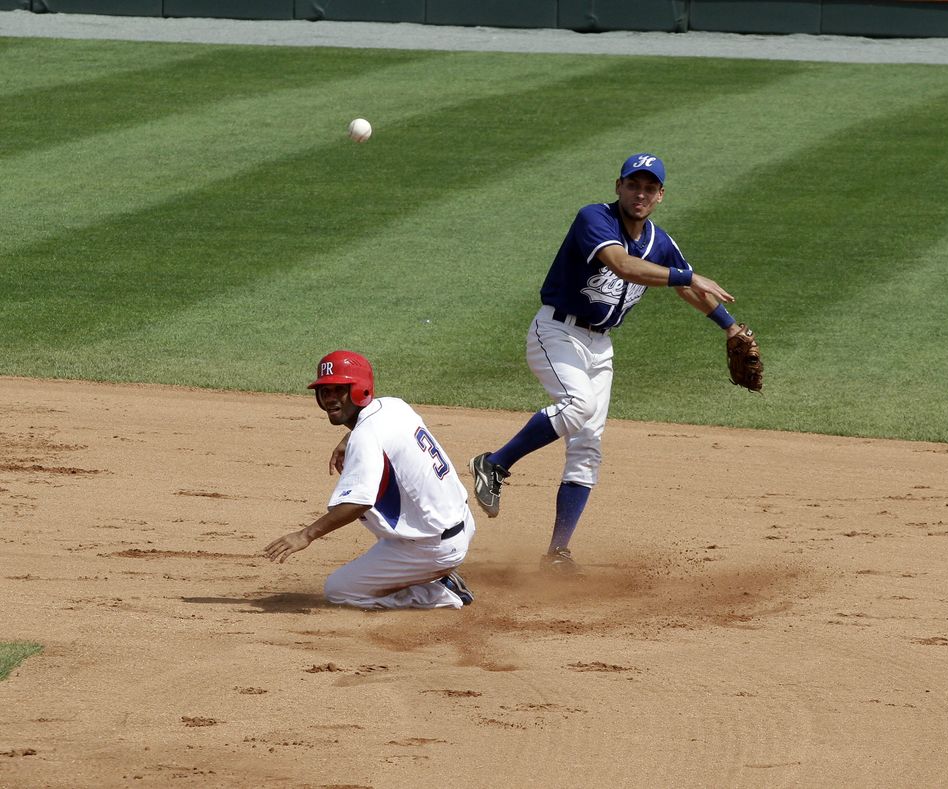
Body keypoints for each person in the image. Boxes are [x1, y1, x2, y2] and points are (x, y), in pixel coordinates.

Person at [468, 153, 747, 576]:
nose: (640, 193)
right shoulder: (594, 218)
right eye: (633, 185)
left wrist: (728, 327)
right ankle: (495, 463)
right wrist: (687, 276)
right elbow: (623, 266)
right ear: (618, 186)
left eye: (649, 188)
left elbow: (685, 290)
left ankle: (557, 553)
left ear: (660, 196)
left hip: (601, 347)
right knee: (577, 405)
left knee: (587, 446)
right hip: (556, 333)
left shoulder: (659, 240)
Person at [265, 350, 476, 609]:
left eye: (339, 390)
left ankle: (438, 592)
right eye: (324, 392)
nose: (330, 399)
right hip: (460, 523)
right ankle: (427, 573)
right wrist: (348, 439)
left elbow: (357, 504)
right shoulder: (393, 405)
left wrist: (305, 535)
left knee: (339, 590)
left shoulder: (366, 437)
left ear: (360, 390)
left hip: (432, 548)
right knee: (386, 507)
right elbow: (373, 429)